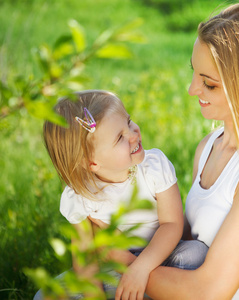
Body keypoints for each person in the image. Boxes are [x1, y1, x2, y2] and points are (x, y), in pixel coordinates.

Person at [35, 89, 185, 300]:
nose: (134, 134)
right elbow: (86, 260)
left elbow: (172, 224)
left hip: (162, 257)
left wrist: (140, 268)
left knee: (194, 255)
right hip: (113, 271)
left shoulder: (154, 167)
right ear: (92, 163)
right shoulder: (80, 196)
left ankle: (152, 289)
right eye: (120, 138)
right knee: (45, 296)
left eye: (129, 122)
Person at [138, 3, 239, 300]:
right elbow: (183, 248)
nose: (192, 89)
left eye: (208, 83)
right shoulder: (207, 148)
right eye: (194, 73)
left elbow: (208, 290)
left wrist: (121, 265)